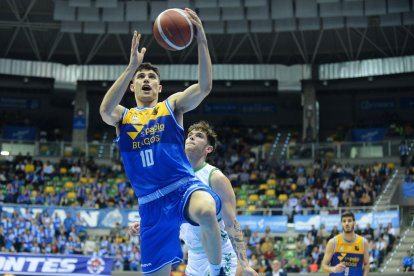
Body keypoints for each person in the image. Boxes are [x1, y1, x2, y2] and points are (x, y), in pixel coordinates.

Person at [100, 9, 223, 276]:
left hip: (182, 187)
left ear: (159, 87)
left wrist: (201, 38)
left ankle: (217, 271)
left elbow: (204, 87)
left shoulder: (172, 107)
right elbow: (104, 110)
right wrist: (131, 66)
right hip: (150, 204)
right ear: (131, 87)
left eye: (151, 77)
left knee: (206, 210)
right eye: (140, 78)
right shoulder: (124, 116)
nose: (146, 80)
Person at [180, 121, 258, 276]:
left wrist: (245, 264)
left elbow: (231, 224)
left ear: (208, 149)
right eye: (189, 136)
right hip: (194, 256)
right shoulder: (175, 175)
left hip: (221, 253)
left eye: (199, 136)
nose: (191, 138)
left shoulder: (215, 177)